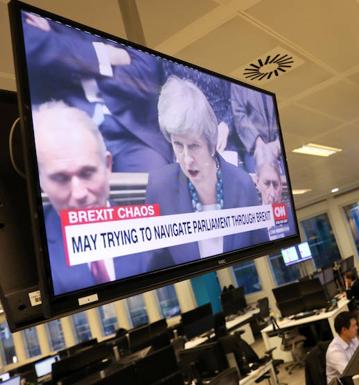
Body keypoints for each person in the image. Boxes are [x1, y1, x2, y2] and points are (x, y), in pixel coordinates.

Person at [143, 76, 269, 271]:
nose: (186, 159)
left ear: (211, 144)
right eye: (178, 145)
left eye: (194, 146)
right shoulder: (159, 187)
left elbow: (262, 249)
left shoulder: (243, 183)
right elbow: (155, 265)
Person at [22, 11, 173, 173]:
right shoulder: (34, 18)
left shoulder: (114, 28)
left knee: (157, 182)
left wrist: (70, 62)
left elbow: (147, 72)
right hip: (71, 134)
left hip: (131, 134)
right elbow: (36, 49)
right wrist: (108, 56)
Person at [33, 102, 140, 295]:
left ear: (107, 166)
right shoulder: (35, 254)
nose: (79, 193)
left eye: (87, 173)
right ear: (40, 181)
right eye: (61, 178)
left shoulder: (151, 226)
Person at [230, 83, 281, 172]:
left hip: (278, 147)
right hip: (253, 148)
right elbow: (239, 114)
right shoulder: (237, 84)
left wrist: (278, 144)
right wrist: (257, 143)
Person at [326, 312, 359, 384]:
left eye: (356, 325)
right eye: (353, 326)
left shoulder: (353, 338)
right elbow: (350, 374)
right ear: (344, 330)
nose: (357, 328)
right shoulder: (335, 352)